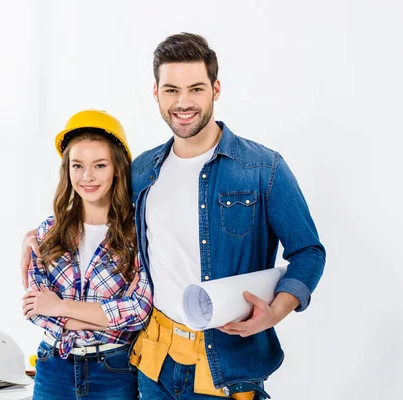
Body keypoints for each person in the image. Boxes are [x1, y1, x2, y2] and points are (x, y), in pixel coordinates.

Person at [21, 33, 325, 400]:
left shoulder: (263, 168)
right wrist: (35, 235)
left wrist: (276, 311)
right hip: (153, 365)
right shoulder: (142, 171)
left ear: (216, 89)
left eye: (195, 89)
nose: (183, 103)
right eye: (171, 90)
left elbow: (308, 251)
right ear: (156, 93)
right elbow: (96, 211)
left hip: (223, 366)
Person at [21, 109, 153, 400]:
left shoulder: (138, 235)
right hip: (53, 368)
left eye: (100, 165)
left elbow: (139, 312)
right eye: (78, 166)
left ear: (117, 168)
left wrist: (59, 306)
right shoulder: (47, 231)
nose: (87, 177)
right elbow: (36, 310)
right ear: (67, 169)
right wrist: (105, 317)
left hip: (114, 371)